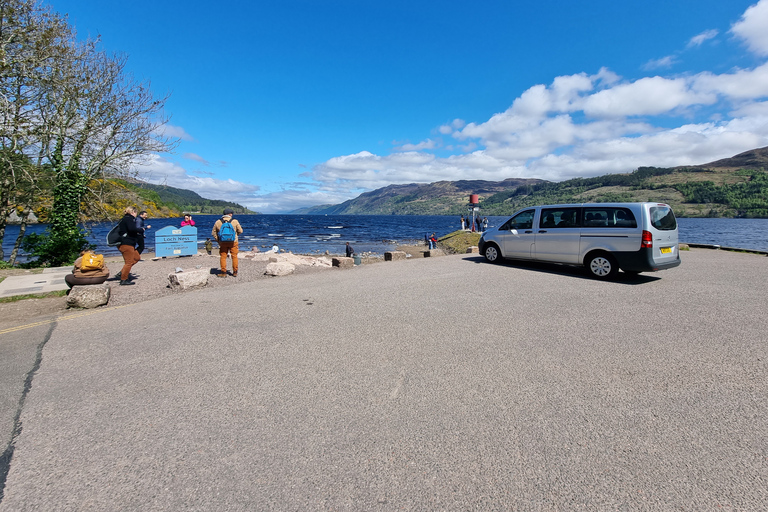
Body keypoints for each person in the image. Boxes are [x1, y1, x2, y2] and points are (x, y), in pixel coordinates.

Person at [211, 208, 243, 277]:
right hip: (233, 242)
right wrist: (235, 236)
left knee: (223, 256)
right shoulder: (235, 221)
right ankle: (235, 272)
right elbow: (240, 231)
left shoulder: (218, 222)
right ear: (230, 214)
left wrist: (218, 240)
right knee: (234, 256)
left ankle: (223, 272)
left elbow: (213, 233)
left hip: (222, 242)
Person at [116, 206, 140, 285]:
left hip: (127, 243)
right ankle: (124, 279)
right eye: (136, 213)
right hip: (126, 243)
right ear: (133, 212)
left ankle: (122, 273)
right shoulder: (129, 219)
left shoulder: (123, 219)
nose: (136, 214)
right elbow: (132, 229)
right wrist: (140, 229)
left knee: (136, 257)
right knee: (128, 262)